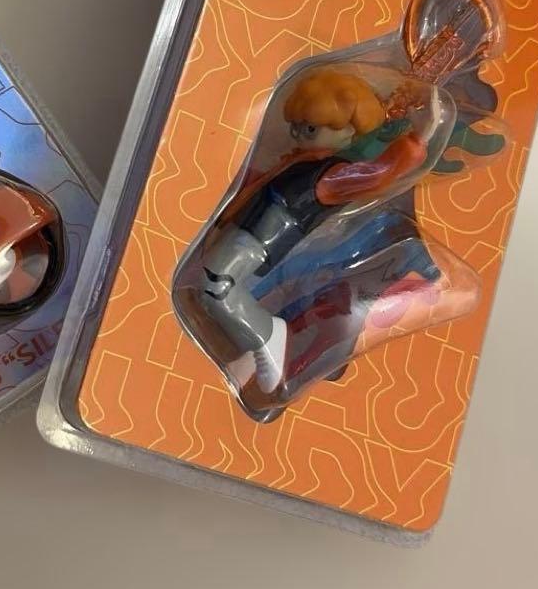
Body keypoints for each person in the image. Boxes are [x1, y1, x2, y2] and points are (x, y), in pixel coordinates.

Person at [177, 68, 439, 394]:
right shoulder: (300, 161)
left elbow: (377, 173)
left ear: (350, 130)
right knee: (211, 291)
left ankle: (267, 336)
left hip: (262, 239)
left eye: (311, 128)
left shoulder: (330, 176)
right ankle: (253, 346)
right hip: (246, 227)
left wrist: (417, 138)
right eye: (297, 126)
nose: (300, 134)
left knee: (218, 287)